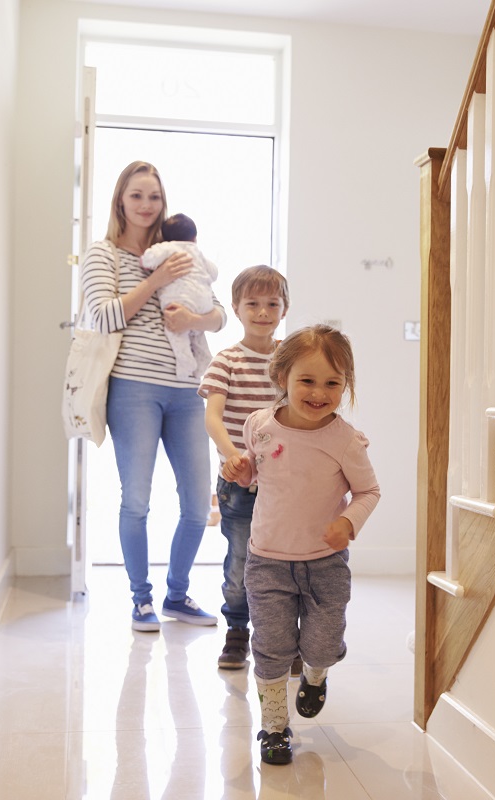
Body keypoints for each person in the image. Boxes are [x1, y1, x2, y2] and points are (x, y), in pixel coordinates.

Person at [221, 325, 381, 766]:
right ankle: (274, 728)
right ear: (282, 377)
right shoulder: (260, 425)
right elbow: (258, 476)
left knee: (322, 645)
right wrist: (241, 470)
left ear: (345, 385)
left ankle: (315, 674)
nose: (319, 392)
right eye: (307, 380)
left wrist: (348, 522)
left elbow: (369, 492)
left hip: (324, 564)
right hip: (267, 561)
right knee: (271, 648)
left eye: (333, 382)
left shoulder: (345, 441)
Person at [81, 161, 227, 632]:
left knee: (196, 504)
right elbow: (103, 317)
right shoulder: (103, 255)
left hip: (187, 390)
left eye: (155, 197)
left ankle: (178, 596)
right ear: (120, 200)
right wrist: (155, 281)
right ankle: (140, 600)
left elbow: (217, 308)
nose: (146, 205)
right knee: (137, 501)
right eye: (137, 195)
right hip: (134, 390)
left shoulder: (181, 250)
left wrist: (195, 321)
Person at [198, 265, 294, 672]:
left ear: (284, 308)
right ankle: (237, 630)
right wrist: (233, 453)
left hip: (287, 484)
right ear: (236, 308)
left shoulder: (291, 358)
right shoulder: (227, 361)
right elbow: (213, 417)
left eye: (272, 303)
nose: (262, 312)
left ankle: (287, 640)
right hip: (239, 486)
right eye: (252, 303)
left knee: (290, 563)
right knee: (241, 561)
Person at [141, 213, 219, 380]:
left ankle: (185, 362)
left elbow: (150, 258)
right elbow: (213, 272)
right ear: (195, 237)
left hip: (179, 300)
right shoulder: (197, 251)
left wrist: (145, 262)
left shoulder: (168, 247)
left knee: (176, 331)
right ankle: (204, 358)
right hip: (203, 302)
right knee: (197, 333)